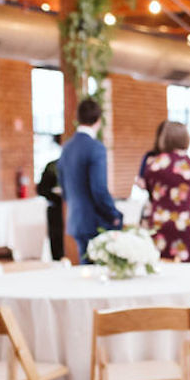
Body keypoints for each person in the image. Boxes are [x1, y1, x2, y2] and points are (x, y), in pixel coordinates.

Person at [57, 98, 122, 263]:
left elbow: (63, 188)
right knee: (102, 273)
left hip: (76, 220)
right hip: (96, 222)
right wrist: (113, 215)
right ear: (98, 121)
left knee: (85, 269)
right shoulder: (95, 147)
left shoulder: (66, 147)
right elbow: (99, 189)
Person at [141, 121, 190, 262]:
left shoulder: (153, 164)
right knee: (188, 270)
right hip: (186, 223)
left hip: (160, 223)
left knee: (160, 268)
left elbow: (151, 194)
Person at [36, 134, 65, 261]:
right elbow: (41, 189)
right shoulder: (52, 166)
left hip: (71, 211)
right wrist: (55, 194)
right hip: (56, 210)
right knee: (57, 246)